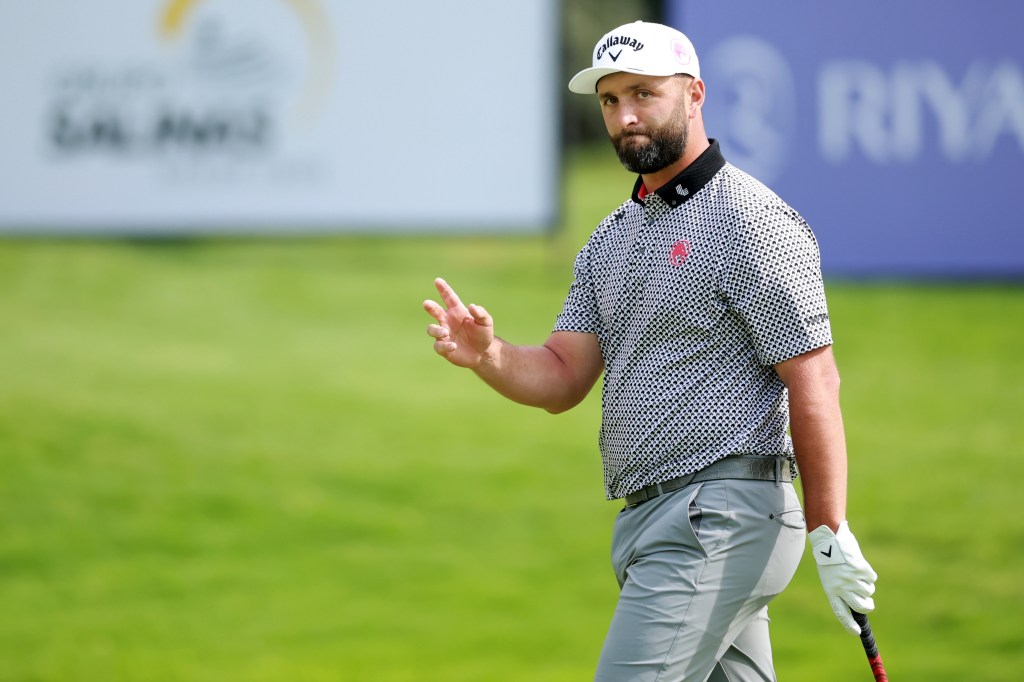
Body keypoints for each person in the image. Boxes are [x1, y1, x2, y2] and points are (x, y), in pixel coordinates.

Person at [422, 20, 877, 682]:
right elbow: (562, 376)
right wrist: (490, 356)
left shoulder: (750, 221)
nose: (625, 116)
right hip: (653, 524)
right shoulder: (612, 237)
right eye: (610, 101)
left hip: (717, 520)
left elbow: (815, 381)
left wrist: (829, 530)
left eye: (643, 94)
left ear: (694, 94)